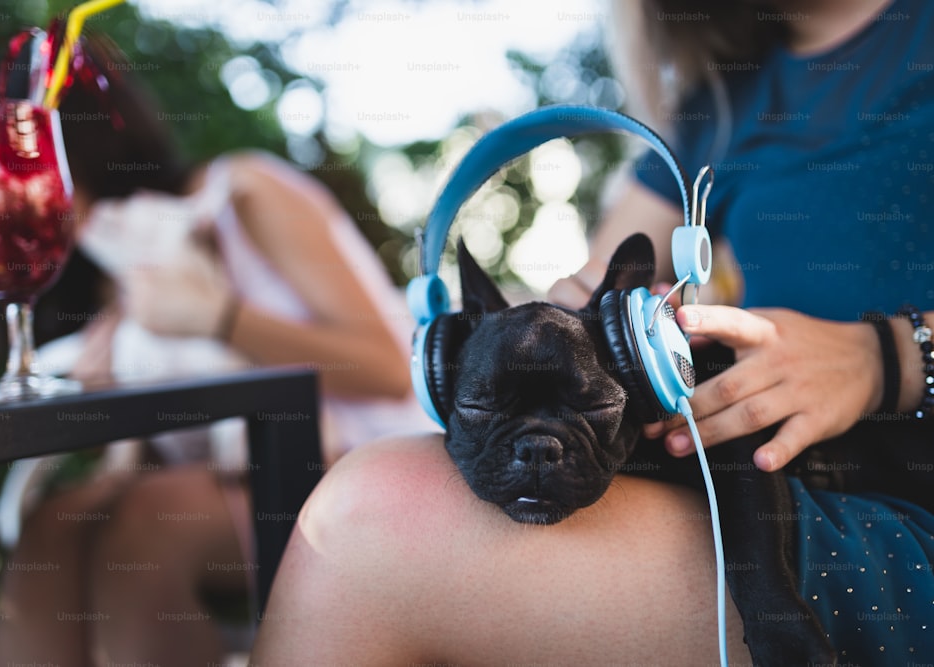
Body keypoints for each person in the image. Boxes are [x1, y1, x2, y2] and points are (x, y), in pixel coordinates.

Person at [250, 0, 934, 664]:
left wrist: (892, 355)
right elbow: (591, 294)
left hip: (899, 519)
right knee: (383, 503)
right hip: (804, 492)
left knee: (366, 520)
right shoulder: (724, 101)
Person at [0, 31, 432, 665]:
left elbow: (387, 366)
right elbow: (166, 445)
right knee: (51, 529)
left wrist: (222, 318)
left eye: (8, 152)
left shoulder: (242, 195)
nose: (0, 181)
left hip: (365, 464)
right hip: (230, 473)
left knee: (146, 530)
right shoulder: (108, 270)